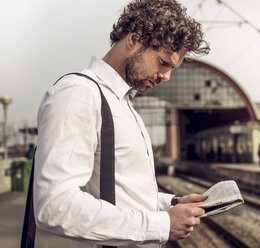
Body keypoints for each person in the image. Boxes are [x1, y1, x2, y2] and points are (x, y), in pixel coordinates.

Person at [34, 1, 210, 247]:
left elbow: (119, 195)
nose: (166, 76)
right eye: (163, 62)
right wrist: (162, 225)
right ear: (134, 39)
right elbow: (55, 207)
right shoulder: (79, 94)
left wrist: (170, 205)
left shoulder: (124, 105)